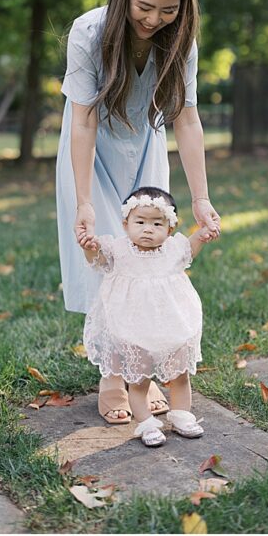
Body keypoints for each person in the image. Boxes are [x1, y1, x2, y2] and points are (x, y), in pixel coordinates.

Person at [56, 0, 222, 425]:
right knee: (106, 258)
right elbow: (82, 120)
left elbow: (187, 121)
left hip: (146, 144)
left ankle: (143, 375)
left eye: (168, 10)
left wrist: (202, 199)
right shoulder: (88, 31)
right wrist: (83, 199)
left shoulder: (181, 41)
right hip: (89, 151)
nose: (153, 20)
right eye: (144, 7)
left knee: (147, 259)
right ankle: (113, 376)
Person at [79, 187, 217, 447]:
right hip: (134, 328)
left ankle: (182, 415)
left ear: (170, 226)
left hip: (172, 325)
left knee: (180, 375)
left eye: (157, 223)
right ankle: (146, 422)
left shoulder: (174, 249)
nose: (148, 229)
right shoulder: (119, 250)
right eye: (140, 222)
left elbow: (193, 246)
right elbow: (96, 259)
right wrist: (90, 247)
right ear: (126, 224)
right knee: (138, 379)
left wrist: (204, 233)